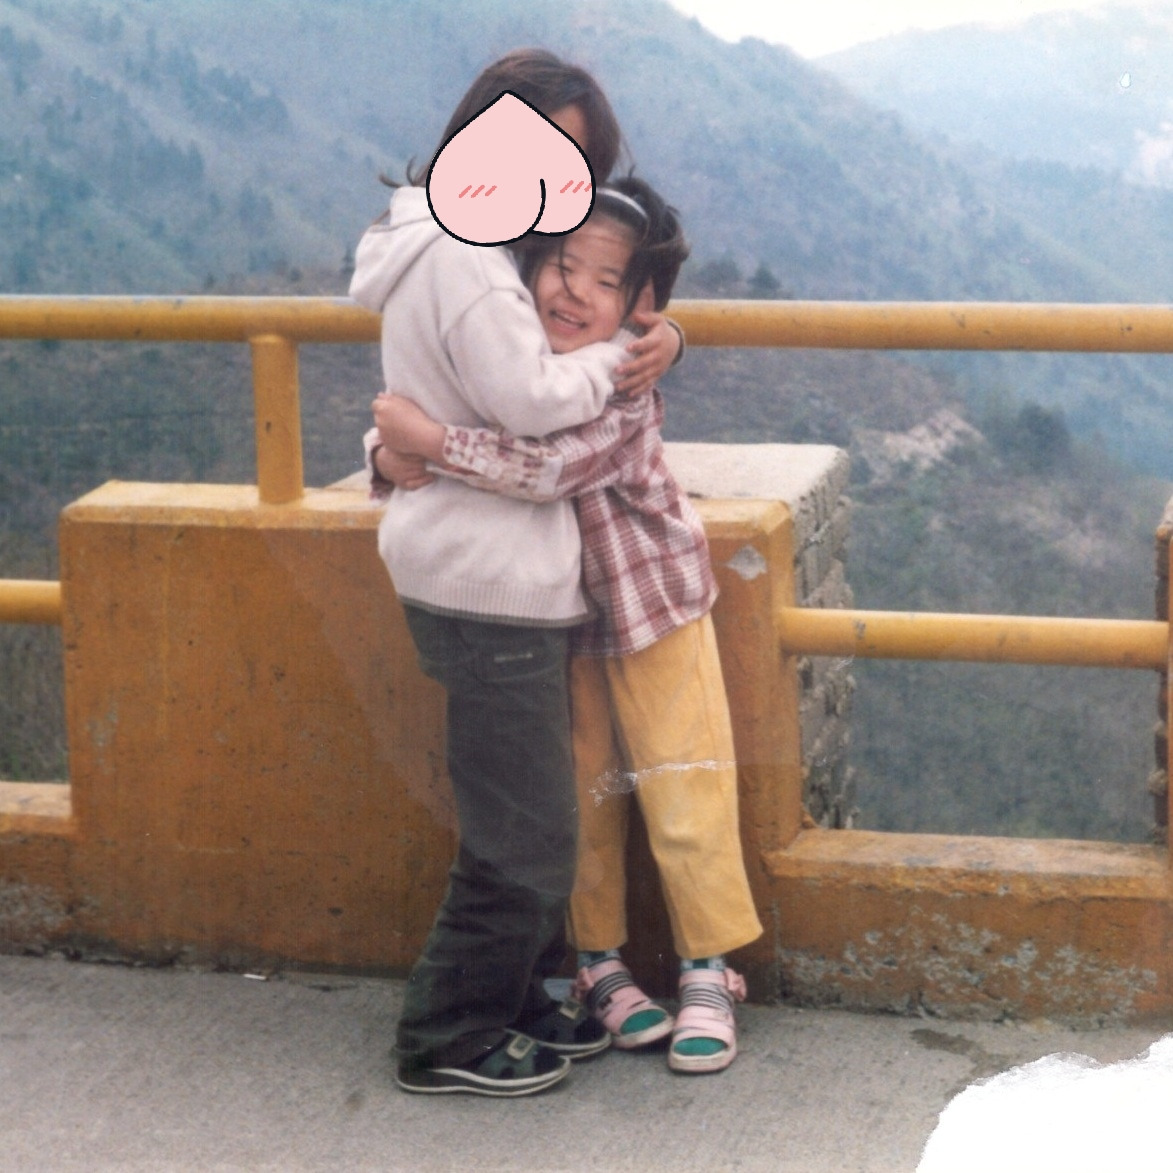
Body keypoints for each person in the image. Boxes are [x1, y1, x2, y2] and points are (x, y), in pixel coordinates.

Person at [372, 176, 764, 1076]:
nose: (576, 291)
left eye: (606, 280)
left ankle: (708, 968)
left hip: (656, 601)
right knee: (581, 793)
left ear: (638, 306)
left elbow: (548, 467)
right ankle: (599, 963)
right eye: (561, 265)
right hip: (564, 616)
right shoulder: (512, 362)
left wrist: (429, 445)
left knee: (684, 779)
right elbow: (434, 406)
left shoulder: (623, 379)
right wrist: (389, 450)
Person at [349, 49, 682, 1098]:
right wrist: (628, 354)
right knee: (527, 832)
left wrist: (662, 332)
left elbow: (445, 397)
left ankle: (523, 996)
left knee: (531, 813)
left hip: (485, 568)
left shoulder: (460, 239)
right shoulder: (462, 254)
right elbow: (533, 402)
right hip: (483, 578)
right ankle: (447, 1030)